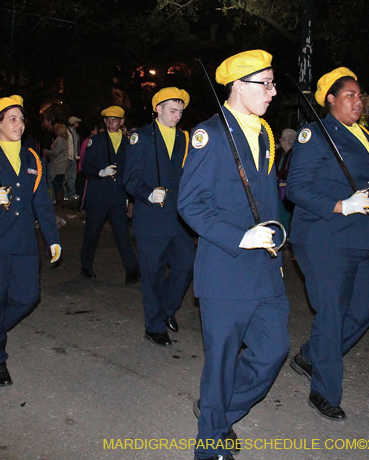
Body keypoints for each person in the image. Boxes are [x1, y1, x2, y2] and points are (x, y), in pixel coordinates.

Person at [178, 50, 289, 460]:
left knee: (274, 349)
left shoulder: (262, 132)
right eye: (266, 84)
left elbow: (267, 199)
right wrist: (241, 237)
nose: (273, 92)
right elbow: (189, 204)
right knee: (221, 364)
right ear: (238, 86)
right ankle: (210, 444)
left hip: (264, 269)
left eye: (274, 83)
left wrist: (277, 245)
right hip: (226, 268)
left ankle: (220, 411)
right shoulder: (211, 135)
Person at [286, 67, 369, 421]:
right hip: (322, 237)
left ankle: (312, 355)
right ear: (330, 100)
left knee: (367, 308)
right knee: (331, 315)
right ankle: (324, 390)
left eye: (360, 95)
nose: (358, 101)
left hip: (360, 237)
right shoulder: (314, 135)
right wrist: (341, 205)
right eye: (350, 95)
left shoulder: (366, 137)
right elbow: (296, 190)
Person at [0, 95, 61, 387]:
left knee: (28, 296)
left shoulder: (32, 158)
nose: (19, 124)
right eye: (12, 119)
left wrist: (52, 238)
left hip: (24, 243)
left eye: (21, 119)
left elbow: (42, 203)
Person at [124, 87, 195, 347]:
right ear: (158, 109)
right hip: (151, 219)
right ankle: (153, 326)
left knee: (186, 264)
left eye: (180, 112)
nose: (177, 116)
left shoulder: (185, 139)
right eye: (172, 111)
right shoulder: (141, 138)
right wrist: (146, 194)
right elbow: (129, 178)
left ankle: (166, 309)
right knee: (152, 275)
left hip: (178, 219)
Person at [80, 106, 140, 281]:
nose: (110, 123)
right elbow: (85, 166)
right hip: (98, 195)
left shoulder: (128, 143)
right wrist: (100, 172)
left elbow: (131, 171)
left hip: (117, 195)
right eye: (107, 120)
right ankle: (86, 266)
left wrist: (130, 198)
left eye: (114, 120)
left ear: (122, 122)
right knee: (92, 232)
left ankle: (132, 269)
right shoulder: (96, 141)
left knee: (122, 233)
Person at [276, 128, 296, 236]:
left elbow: (290, 173)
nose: (279, 140)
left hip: (287, 194)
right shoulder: (281, 155)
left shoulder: (294, 155)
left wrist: (277, 174)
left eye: (282, 138)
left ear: (287, 140)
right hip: (279, 192)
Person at [48, 123, 69, 205]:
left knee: (57, 184)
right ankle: (60, 202)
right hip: (62, 164)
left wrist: (47, 152)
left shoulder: (60, 140)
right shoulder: (65, 139)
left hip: (59, 164)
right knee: (59, 184)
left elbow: (55, 152)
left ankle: (59, 203)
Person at [64, 116, 81, 200]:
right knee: (65, 177)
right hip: (67, 157)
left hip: (73, 157)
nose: (78, 124)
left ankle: (71, 193)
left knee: (72, 177)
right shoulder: (67, 133)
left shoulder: (75, 133)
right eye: (77, 122)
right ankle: (65, 194)